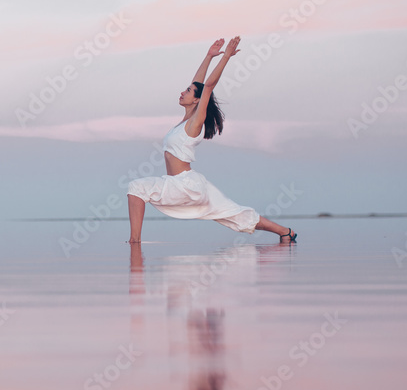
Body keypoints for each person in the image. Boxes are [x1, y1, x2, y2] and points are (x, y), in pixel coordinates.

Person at [126, 37, 297, 244]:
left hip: (185, 185)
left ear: (197, 100)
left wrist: (226, 57)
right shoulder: (185, 121)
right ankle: (285, 232)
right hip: (183, 183)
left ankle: (134, 241)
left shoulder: (195, 122)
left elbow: (206, 86)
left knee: (137, 187)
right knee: (235, 214)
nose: (182, 92)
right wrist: (208, 56)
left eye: (187, 91)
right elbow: (199, 84)